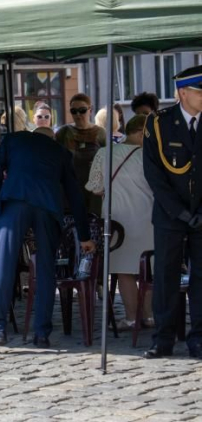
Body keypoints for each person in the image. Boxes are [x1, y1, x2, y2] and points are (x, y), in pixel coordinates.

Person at [0, 127, 94, 352]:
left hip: (15, 201)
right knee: (45, 269)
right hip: (47, 207)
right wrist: (84, 235)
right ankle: (42, 333)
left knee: (4, 264)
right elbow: (74, 193)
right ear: (50, 138)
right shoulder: (60, 151)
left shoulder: (13, 140)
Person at [142, 67, 202, 360]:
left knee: (201, 278)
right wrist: (179, 212)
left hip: (201, 215)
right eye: (201, 92)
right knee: (166, 277)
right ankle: (163, 338)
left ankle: (199, 338)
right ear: (183, 93)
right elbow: (154, 174)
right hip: (169, 215)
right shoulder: (158, 123)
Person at [86, 115, 153, 330]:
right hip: (147, 217)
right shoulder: (151, 155)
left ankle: (132, 317)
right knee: (149, 269)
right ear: (142, 133)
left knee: (124, 270)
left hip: (117, 218)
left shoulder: (104, 153)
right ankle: (149, 316)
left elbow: (95, 188)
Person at [55, 93, 107, 214]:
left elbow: (109, 160)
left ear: (90, 110)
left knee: (94, 223)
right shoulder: (63, 132)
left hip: (94, 188)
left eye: (82, 110)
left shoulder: (100, 133)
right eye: (74, 111)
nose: (78, 115)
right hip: (69, 187)